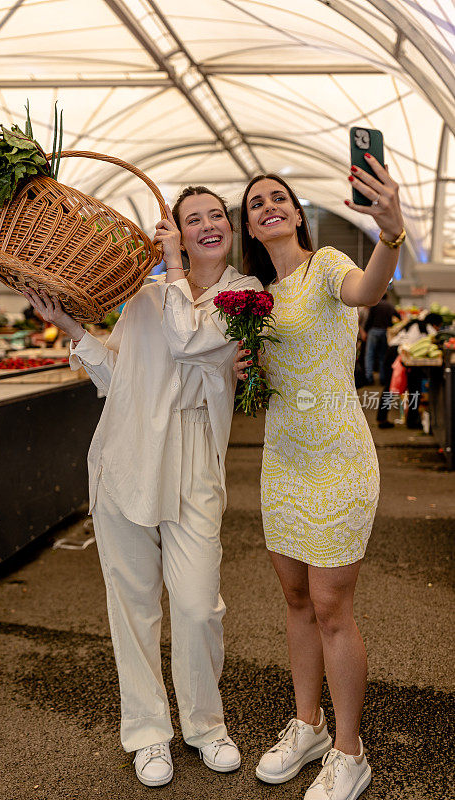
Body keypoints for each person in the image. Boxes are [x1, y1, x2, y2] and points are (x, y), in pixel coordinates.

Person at [22, 187, 263, 788]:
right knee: (131, 606)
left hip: (193, 460)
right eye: (192, 219)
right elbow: (113, 378)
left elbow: (190, 338)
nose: (208, 226)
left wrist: (173, 264)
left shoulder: (247, 297)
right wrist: (70, 326)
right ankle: (149, 733)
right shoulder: (144, 298)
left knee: (196, 604)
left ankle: (206, 726)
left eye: (215, 217)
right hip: (125, 456)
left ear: (228, 230)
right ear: (176, 229)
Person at [234, 156, 405, 800]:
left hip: (337, 454)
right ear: (248, 225)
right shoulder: (253, 300)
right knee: (297, 601)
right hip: (282, 459)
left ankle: (349, 751)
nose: (267, 206)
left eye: (277, 197)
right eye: (255, 203)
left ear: (296, 213)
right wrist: (239, 368)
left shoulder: (327, 265)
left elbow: (370, 291)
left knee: (333, 607)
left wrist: (389, 233)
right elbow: (251, 384)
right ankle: (307, 725)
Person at [377, 312, 443, 428]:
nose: (438, 328)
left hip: (395, 353)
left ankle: (385, 419)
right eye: (438, 326)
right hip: (400, 355)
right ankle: (410, 421)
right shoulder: (426, 328)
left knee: (404, 387)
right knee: (405, 387)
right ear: (434, 323)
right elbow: (435, 338)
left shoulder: (415, 324)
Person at [363, 292, 400, 384]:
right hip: (385, 332)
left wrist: (365, 331)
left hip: (373, 331)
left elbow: (369, 320)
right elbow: (398, 316)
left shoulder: (375, 305)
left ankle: (369, 378)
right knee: (382, 355)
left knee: (370, 355)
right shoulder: (390, 306)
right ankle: (382, 378)